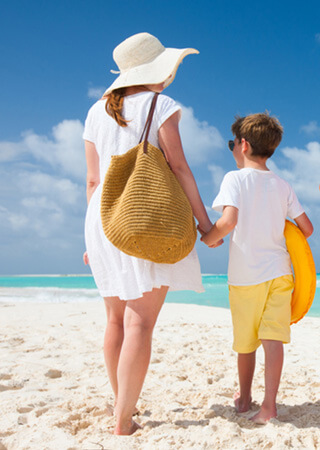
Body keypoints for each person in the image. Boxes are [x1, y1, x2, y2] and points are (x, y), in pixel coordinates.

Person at [82, 32, 213, 435]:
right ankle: (123, 421)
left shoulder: (95, 111)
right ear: (158, 69)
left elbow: (92, 180)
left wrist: (93, 238)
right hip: (143, 215)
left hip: (103, 219)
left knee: (115, 321)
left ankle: (122, 407)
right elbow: (178, 167)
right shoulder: (162, 104)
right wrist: (204, 225)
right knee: (140, 323)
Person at [199, 113, 313, 424]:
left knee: (246, 344)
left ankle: (245, 398)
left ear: (244, 145)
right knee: (272, 340)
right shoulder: (282, 185)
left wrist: (208, 238)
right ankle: (269, 407)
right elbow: (306, 228)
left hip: (246, 276)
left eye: (231, 143)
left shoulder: (233, 179)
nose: (232, 148)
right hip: (280, 274)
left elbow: (228, 221)